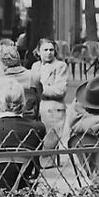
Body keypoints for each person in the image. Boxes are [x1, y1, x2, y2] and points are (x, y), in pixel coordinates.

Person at [31, 38, 68, 167]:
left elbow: (60, 90)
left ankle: (47, 162)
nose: (48, 53)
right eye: (45, 50)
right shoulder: (35, 66)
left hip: (53, 105)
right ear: (39, 51)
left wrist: (41, 89)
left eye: (51, 50)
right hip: (37, 106)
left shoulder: (60, 66)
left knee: (50, 137)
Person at [0, 41, 41, 120]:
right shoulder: (33, 76)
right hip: (29, 120)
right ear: (18, 58)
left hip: (5, 121)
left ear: (2, 61)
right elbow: (39, 99)